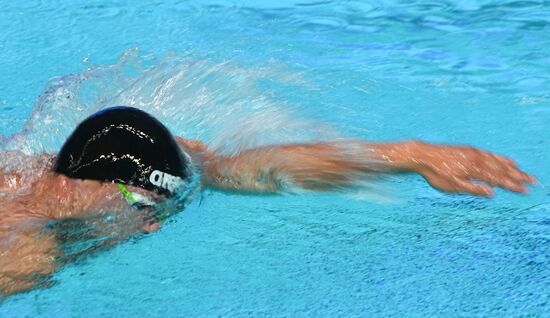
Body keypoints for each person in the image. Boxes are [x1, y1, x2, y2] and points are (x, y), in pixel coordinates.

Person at [0, 106, 536, 296]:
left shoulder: (114, 173)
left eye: (155, 208)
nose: (151, 226)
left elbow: (252, 170)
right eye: (138, 207)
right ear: (72, 183)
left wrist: (409, 155)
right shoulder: (26, 251)